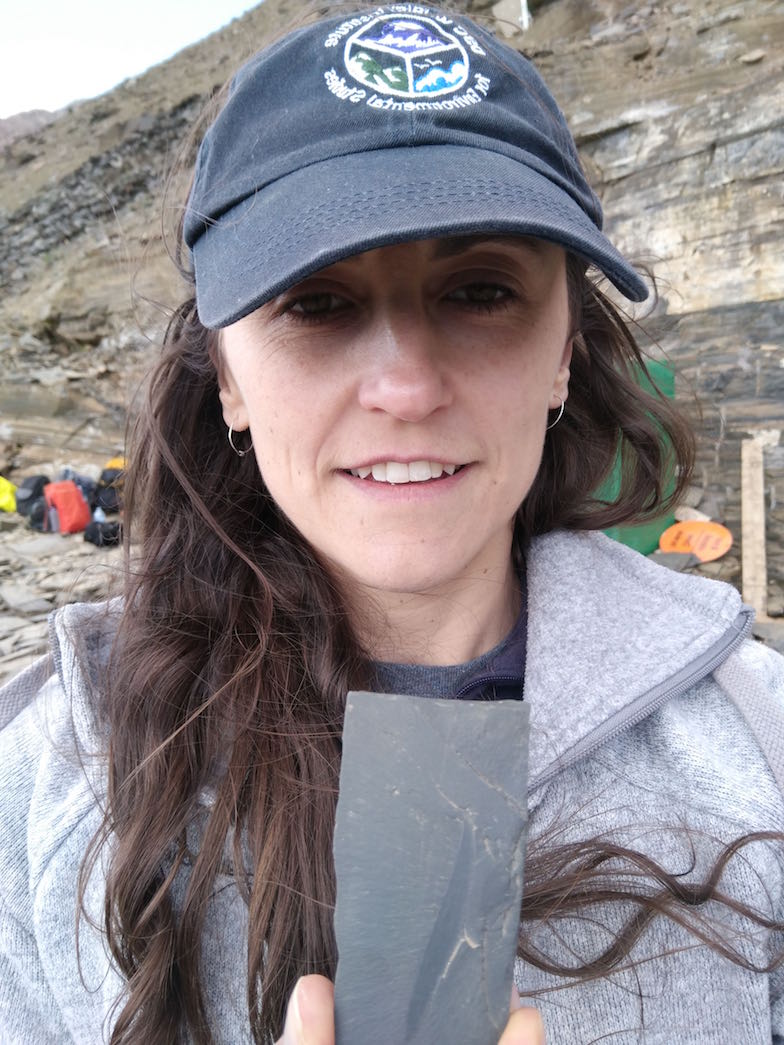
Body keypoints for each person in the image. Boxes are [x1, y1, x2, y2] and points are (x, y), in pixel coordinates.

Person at [1, 4, 783, 1043]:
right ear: (226, 376)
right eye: (316, 303)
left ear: (562, 351)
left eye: (480, 289)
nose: (406, 386)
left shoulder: (759, 736)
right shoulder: (52, 774)